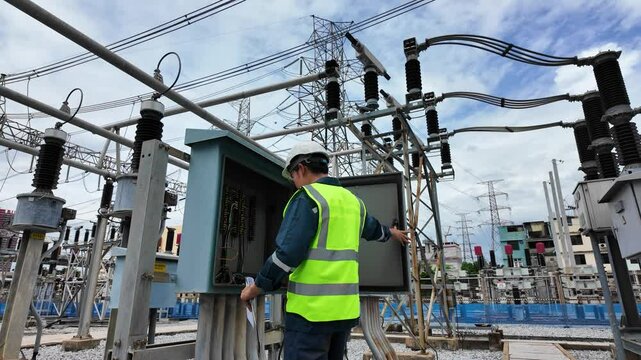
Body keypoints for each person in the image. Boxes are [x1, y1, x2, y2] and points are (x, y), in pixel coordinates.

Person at [240, 141, 409, 360]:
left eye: (293, 176)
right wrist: (392, 233)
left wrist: (257, 288)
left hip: (310, 315)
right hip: (343, 314)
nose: (294, 182)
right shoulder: (353, 202)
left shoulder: (307, 198)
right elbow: (374, 230)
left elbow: (286, 256)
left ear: (300, 169)